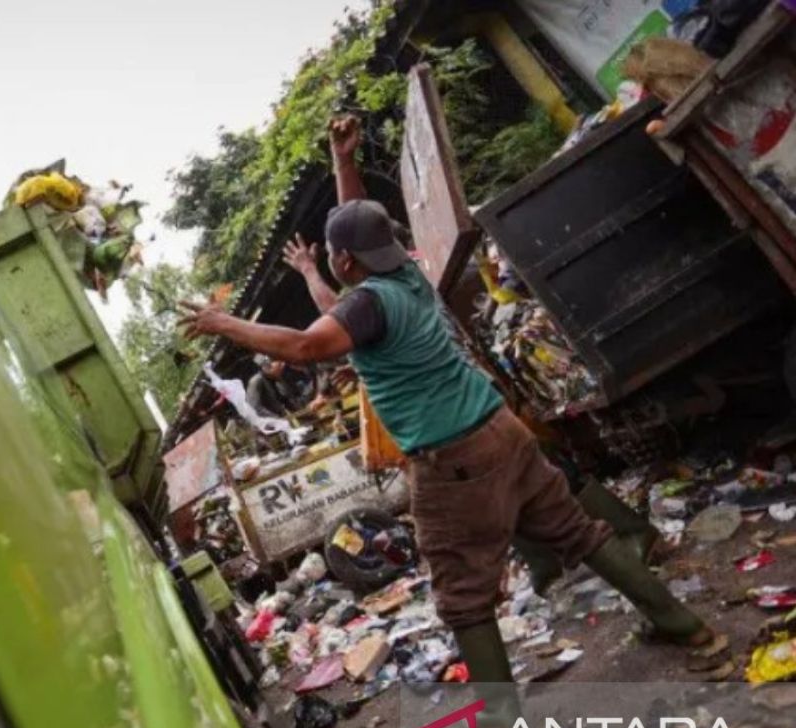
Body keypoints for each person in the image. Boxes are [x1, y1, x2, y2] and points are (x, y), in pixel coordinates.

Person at [179, 115, 713, 690]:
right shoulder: (401, 273)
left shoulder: (364, 307)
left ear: (345, 261)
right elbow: (358, 232)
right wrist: (343, 163)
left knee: (461, 596)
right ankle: (686, 625)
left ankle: (498, 724)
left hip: (453, 461)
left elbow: (309, 344)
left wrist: (224, 323)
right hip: (502, 432)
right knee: (579, 534)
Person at [246, 355, 314, 418]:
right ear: (267, 367)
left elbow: (289, 401)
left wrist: (305, 412)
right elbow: (253, 408)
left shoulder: (277, 379)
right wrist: (276, 418)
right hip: (268, 425)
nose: (283, 365)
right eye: (280, 364)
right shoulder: (256, 381)